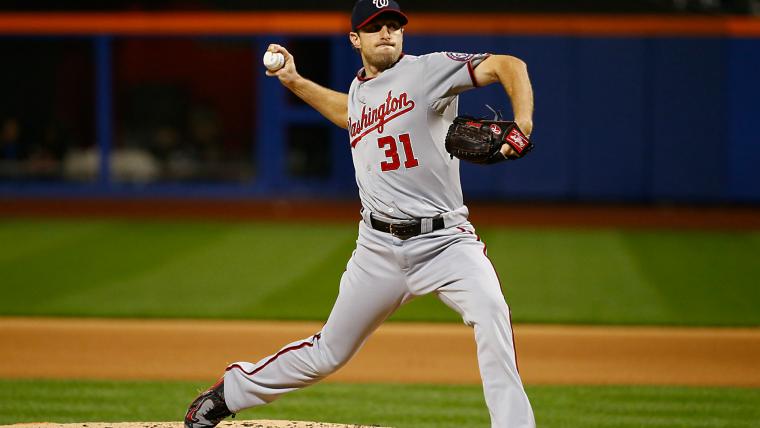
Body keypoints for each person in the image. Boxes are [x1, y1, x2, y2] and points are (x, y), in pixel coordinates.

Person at [185, 1, 535, 426]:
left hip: (447, 242)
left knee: (492, 316)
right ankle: (229, 394)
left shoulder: (430, 70)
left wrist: (523, 123)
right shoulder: (359, 91)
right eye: (375, 28)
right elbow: (348, 114)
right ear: (356, 39)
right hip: (378, 248)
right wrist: (293, 80)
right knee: (328, 352)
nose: (386, 33)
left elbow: (508, 64)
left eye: (393, 26)